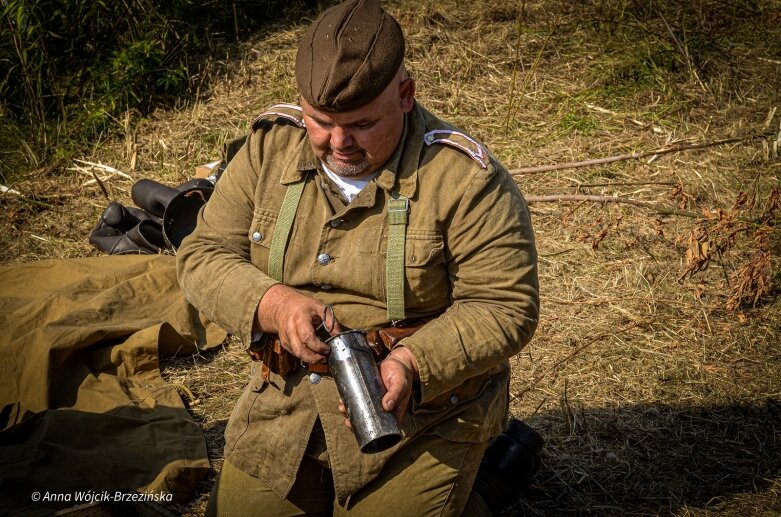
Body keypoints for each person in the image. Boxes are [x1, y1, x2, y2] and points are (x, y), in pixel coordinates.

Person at [176, 0, 539, 515]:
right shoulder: (269, 147)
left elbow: (506, 306)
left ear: (405, 95)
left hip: (423, 419)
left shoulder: (464, 179)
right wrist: (275, 306)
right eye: (320, 122)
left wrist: (413, 365)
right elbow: (202, 254)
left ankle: (490, 482)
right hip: (287, 404)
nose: (338, 143)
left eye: (363, 124)